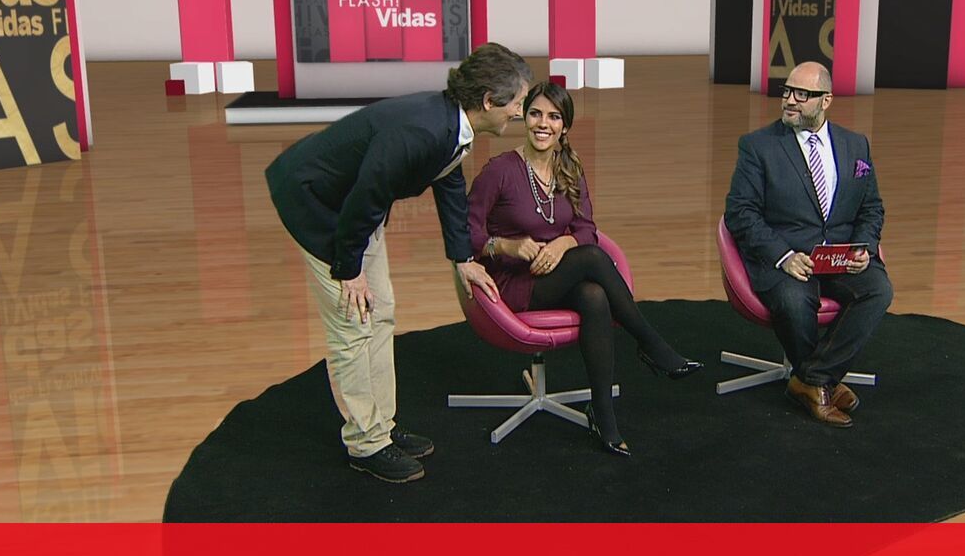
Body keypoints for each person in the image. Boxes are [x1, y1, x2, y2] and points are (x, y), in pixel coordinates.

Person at [265, 42, 530, 483]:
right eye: (517, 104)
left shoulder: (451, 124)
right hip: (320, 208)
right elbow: (365, 196)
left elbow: (447, 181)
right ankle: (366, 444)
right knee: (353, 325)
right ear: (489, 101)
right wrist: (349, 270)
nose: (518, 113)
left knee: (381, 312)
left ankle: (381, 427)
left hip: (354, 213)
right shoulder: (422, 130)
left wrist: (462, 256)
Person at [467, 82, 702, 456]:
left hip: (557, 273)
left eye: (553, 117)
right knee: (592, 258)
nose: (543, 124)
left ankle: (602, 412)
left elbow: (586, 228)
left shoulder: (569, 169)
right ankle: (651, 343)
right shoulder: (500, 170)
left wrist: (563, 244)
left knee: (594, 296)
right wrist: (507, 245)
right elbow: (467, 232)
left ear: (565, 126)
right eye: (535, 114)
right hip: (511, 281)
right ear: (524, 118)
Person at [724, 61, 892, 428]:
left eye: (802, 94)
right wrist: (783, 256)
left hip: (839, 257)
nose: (790, 100)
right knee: (793, 300)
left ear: (826, 100)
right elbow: (740, 213)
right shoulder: (758, 147)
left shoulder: (856, 145)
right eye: (787, 91)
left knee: (878, 289)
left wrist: (864, 247)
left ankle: (813, 379)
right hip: (787, 258)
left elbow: (871, 207)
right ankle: (823, 381)